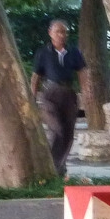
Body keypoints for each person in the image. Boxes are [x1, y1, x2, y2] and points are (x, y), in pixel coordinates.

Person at [30, 19, 85, 174]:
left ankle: (60, 166)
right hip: (49, 94)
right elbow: (35, 78)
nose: (62, 35)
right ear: (50, 33)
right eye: (58, 32)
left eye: (64, 32)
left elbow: (82, 73)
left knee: (68, 132)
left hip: (68, 94)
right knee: (56, 129)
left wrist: (86, 95)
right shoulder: (43, 53)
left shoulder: (74, 52)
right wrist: (32, 98)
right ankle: (51, 164)